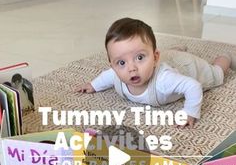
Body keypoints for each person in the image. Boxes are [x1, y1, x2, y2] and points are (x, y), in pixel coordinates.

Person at [75, 17, 235, 127]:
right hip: (166, 58)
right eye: (121, 62)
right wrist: (93, 85)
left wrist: (189, 112)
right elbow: (106, 77)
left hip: (188, 67)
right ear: (113, 65)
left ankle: (225, 57)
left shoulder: (164, 80)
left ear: (154, 57)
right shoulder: (116, 74)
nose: (131, 68)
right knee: (168, 56)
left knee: (216, 75)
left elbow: (193, 86)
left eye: (139, 57)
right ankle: (173, 51)